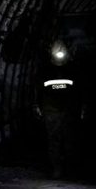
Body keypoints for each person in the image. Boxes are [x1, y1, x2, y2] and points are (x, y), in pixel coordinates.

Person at [33, 39, 85, 179]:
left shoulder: (73, 70)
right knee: (54, 140)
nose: (60, 51)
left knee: (70, 140)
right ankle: (57, 169)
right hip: (51, 111)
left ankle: (70, 169)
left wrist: (82, 108)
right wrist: (37, 107)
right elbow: (37, 91)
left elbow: (81, 91)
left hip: (69, 111)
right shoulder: (44, 71)